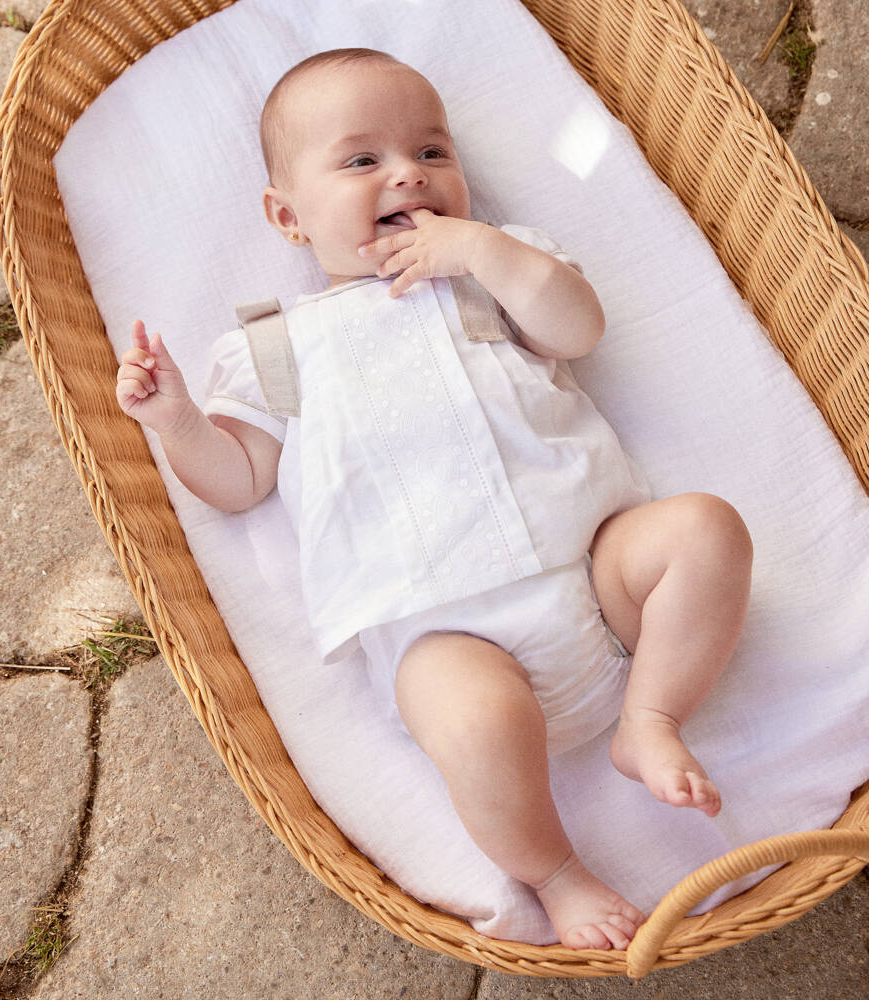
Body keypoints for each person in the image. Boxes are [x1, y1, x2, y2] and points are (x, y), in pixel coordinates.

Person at [115, 48, 753, 950]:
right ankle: (556, 870)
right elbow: (238, 480)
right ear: (288, 217)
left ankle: (650, 718)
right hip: (446, 634)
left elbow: (577, 328)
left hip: (597, 579)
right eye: (362, 160)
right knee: (478, 721)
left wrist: (485, 249)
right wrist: (175, 419)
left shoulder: (495, 272)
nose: (408, 172)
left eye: (432, 151)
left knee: (704, 530)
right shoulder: (274, 345)